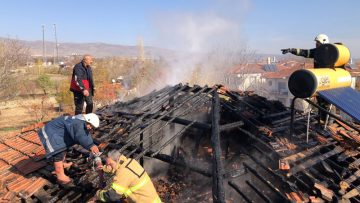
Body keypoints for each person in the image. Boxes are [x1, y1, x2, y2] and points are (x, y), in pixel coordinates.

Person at [281, 34, 334, 124]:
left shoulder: (330, 53)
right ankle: (323, 120)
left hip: (328, 80)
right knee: (320, 101)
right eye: (316, 43)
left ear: (324, 42)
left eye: (318, 43)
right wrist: (291, 50)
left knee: (327, 102)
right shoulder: (317, 52)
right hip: (319, 80)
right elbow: (304, 52)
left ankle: (329, 121)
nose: (316, 44)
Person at [37, 113, 100, 186]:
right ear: (87, 121)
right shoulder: (78, 123)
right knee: (57, 153)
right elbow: (81, 135)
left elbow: (86, 134)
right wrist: (91, 145)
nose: (90, 128)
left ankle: (62, 164)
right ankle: (60, 175)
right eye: (90, 125)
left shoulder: (81, 122)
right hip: (51, 133)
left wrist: (91, 144)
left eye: (92, 127)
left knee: (64, 148)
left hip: (57, 133)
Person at [94, 150, 161, 203]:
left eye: (110, 164)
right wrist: (103, 168)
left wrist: (98, 194)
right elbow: (115, 167)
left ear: (117, 160)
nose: (109, 166)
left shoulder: (123, 173)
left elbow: (113, 195)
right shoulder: (130, 161)